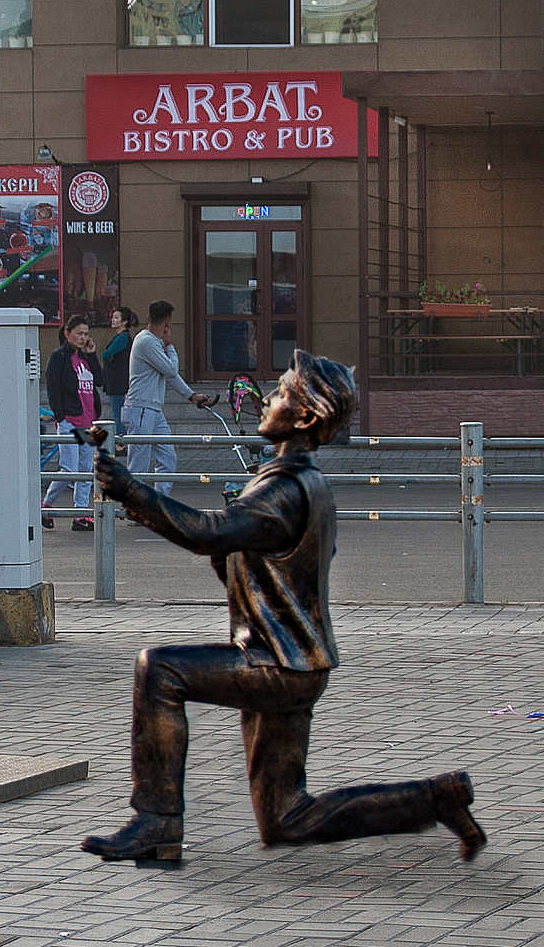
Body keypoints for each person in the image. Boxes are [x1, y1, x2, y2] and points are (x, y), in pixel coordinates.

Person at [83, 352, 486, 863]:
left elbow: (208, 534)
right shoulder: (304, 482)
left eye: (278, 394)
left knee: (159, 670)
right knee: (286, 819)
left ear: (305, 417)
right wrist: (182, 521)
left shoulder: (284, 489)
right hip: (299, 661)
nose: (266, 399)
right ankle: (436, 798)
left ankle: (156, 822)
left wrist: (132, 491)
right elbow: (241, 557)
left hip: (276, 663)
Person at [124, 300, 210, 498]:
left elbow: (169, 373)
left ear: (148, 318)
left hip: (153, 409)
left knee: (168, 457)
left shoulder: (152, 342)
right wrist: (170, 346)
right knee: (139, 462)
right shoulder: (146, 341)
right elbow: (171, 369)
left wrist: (191, 395)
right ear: (167, 323)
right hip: (140, 408)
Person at [42, 314, 102, 532]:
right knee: (69, 468)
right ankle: (47, 504)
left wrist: (92, 354)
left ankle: (80, 514)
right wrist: (60, 416)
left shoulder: (85, 357)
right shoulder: (59, 356)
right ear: (67, 333)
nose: (83, 337)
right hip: (69, 420)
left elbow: (101, 380)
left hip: (88, 420)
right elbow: (53, 387)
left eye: (86, 333)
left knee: (86, 468)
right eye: (79, 333)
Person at [102, 306, 139, 455]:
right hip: (116, 380)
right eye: (113, 317)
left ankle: (121, 444)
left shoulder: (123, 337)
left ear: (124, 322)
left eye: (117, 317)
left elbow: (106, 355)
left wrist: (107, 356)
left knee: (118, 413)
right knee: (118, 412)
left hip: (118, 381)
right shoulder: (121, 337)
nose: (113, 320)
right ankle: (121, 442)